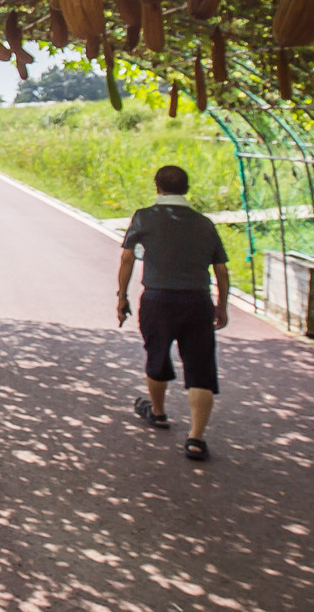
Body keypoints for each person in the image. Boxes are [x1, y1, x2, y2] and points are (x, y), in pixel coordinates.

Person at [117, 164, 230, 461]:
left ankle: (158, 412)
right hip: (197, 301)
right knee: (201, 365)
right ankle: (196, 438)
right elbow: (220, 269)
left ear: (157, 187)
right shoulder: (204, 223)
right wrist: (222, 306)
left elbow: (127, 257)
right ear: (186, 189)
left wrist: (121, 297)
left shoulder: (144, 217)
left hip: (158, 298)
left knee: (157, 354)